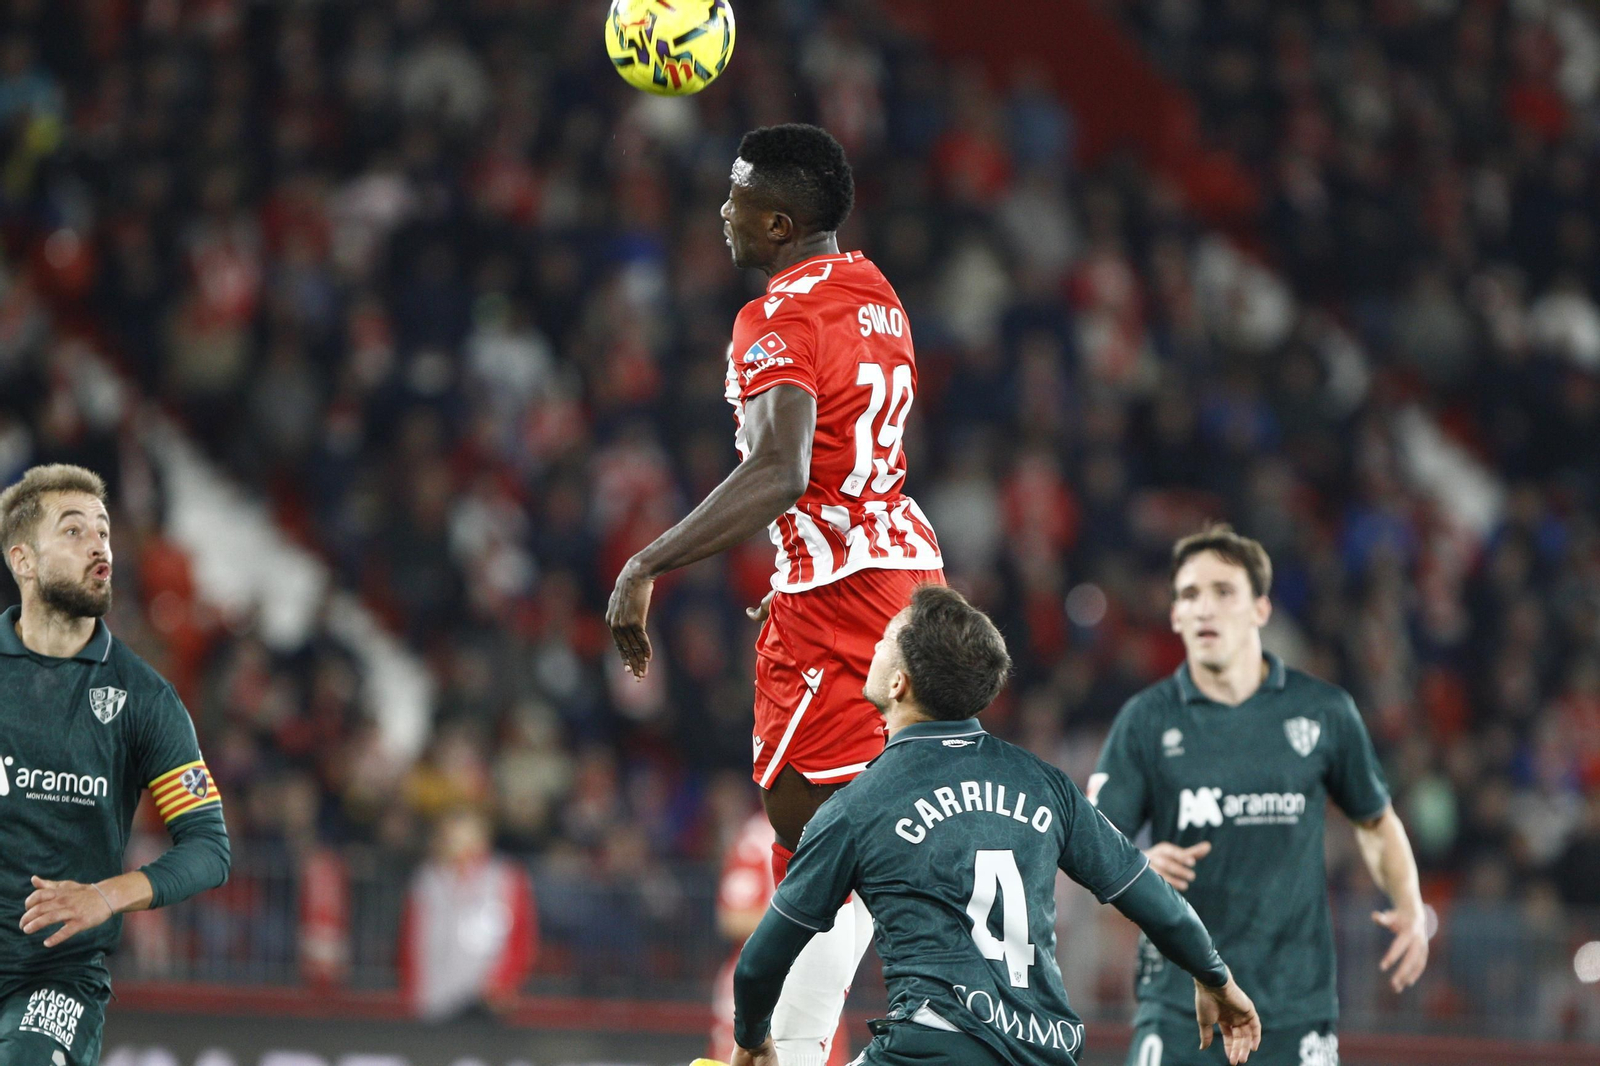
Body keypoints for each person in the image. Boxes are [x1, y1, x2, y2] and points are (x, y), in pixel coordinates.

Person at [607, 122, 943, 1066]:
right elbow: (838, 466)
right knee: (841, 839)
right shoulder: (877, 293)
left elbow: (783, 468)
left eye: (739, 197)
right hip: (901, 579)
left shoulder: (775, 318)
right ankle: (793, 1050)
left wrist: (647, 564)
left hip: (839, 603)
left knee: (812, 837)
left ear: (781, 219)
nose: (723, 211)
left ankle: (844, 1038)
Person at [726, 584, 1261, 1066]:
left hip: (930, 1047)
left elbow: (757, 967)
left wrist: (753, 1039)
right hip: (1046, 1051)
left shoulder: (856, 807)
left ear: (898, 682)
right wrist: (1214, 975)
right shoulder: (1045, 784)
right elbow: (1148, 894)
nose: (873, 643)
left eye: (886, 636)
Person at [1089, 525, 1429, 1066]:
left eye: (1224, 592)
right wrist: (1140, 862)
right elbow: (1094, 841)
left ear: (1261, 609)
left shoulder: (1323, 712)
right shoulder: (1146, 721)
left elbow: (1374, 820)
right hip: (1180, 1006)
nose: (1205, 609)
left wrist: (1410, 905)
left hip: (1294, 1009)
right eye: (1190, 595)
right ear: (1175, 615)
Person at [0, 464, 232, 1064]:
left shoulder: (144, 698)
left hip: (55, 978)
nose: (99, 544)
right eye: (73, 531)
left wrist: (106, 896)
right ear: (23, 561)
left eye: (103, 530)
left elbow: (209, 847)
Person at [708, 811, 848, 1064]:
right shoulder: (759, 834)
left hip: (821, 978)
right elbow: (733, 916)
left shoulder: (841, 823)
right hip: (762, 980)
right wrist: (796, 920)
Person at [397, 806, 538, 1021]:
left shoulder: (503, 877)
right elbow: (412, 939)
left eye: (467, 835)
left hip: (485, 1000)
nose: (460, 844)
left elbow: (520, 936)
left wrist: (501, 984)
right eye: (452, 836)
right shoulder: (427, 879)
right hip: (434, 999)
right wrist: (415, 990)